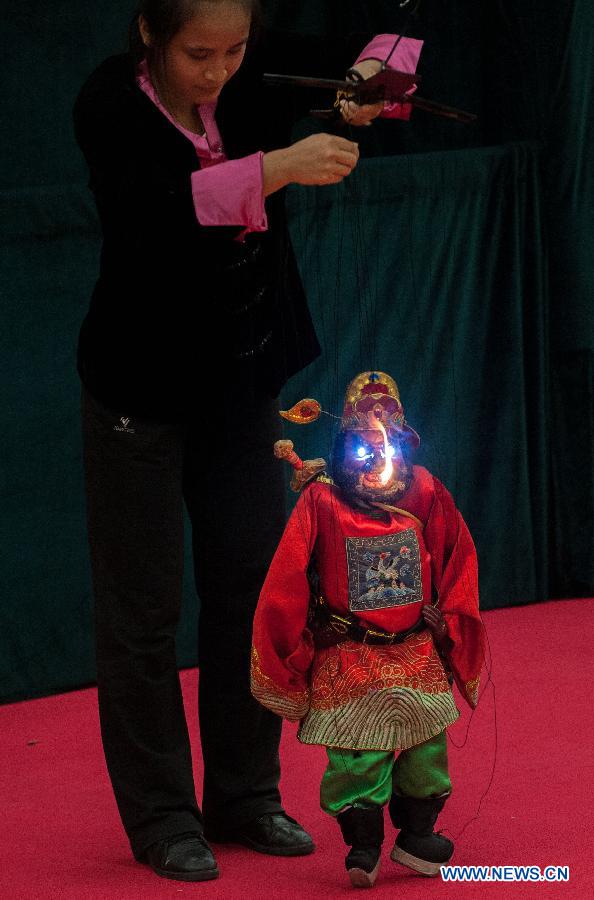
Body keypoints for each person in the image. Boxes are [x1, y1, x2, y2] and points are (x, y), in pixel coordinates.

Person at [74, 0, 424, 883]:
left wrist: (372, 87)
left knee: (251, 594)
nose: (220, 70)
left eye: (234, 49)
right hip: (140, 389)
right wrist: (280, 165)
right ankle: (161, 817)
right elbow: (157, 211)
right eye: (200, 53)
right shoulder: (109, 104)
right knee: (144, 616)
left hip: (241, 380)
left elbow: (378, 47)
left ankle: (245, 794)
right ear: (151, 34)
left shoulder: (256, 66)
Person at [251, 371, 485, 887]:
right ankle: (363, 845)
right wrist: (310, 628)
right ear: (344, 445)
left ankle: (418, 836)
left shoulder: (424, 489)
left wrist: (445, 623)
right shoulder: (321, 500)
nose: (377, 458)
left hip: (415, 652)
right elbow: (290, 575)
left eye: (387, 445)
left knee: (427, 748)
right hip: (351, 653)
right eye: (363, 448)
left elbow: (456, 558)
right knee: (357, 755)